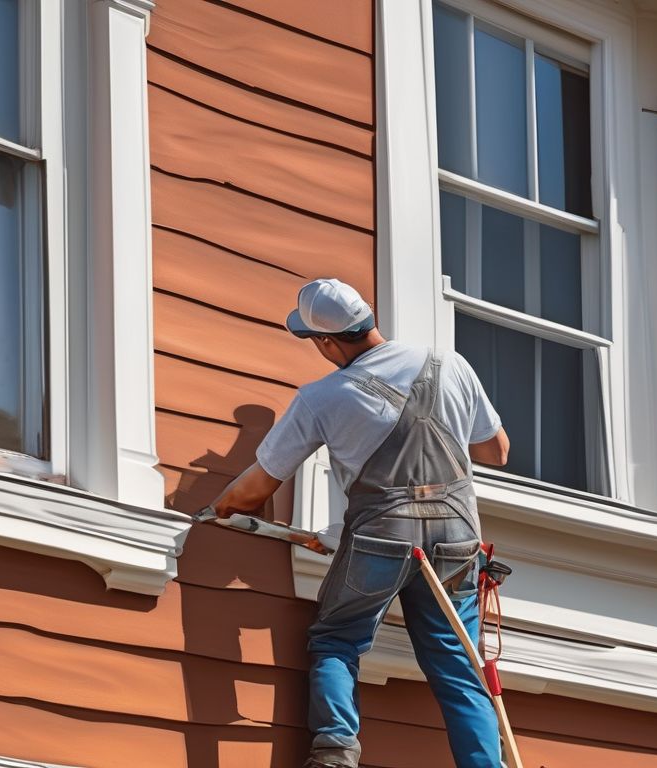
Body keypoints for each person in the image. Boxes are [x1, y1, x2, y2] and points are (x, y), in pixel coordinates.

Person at [211, 278, 511, 768]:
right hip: (457, 540)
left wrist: (221, 507)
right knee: (459, 666)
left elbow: (257, 488)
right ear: (369, 318)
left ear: (327, 342)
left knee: (337, 637)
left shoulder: (322, 397)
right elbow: (495, 451)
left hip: (382, 538)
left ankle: (334, 753)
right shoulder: (450, 364)